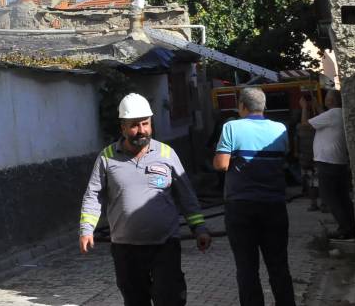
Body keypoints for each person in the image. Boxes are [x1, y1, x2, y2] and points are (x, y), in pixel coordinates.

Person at [79, 93, 212, 306]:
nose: (141, 130)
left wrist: (200, 228)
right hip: (125, 249)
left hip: (165, 245)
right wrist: (87, 229)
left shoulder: (167, 154)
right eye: (134, 125)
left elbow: (186, 194)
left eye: (145, 123)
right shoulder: (106, 157)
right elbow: (93, 195)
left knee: (170, 299)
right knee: (135, 301)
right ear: (122, 127)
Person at [214, 87, 296, 306]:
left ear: (242, 106)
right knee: (279, 265)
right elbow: (283, 157)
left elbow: (222, 164)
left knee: (247, 268)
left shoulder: (232, 127)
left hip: (241, 207)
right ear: (264, 106)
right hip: (275, 206)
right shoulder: (280, 128)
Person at [301, 89, 355, 239]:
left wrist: (305, 107)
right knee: (343, 197)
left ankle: (345, 229)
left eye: (327, 97)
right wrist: (317, 106)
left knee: (330, 197)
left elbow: (305, 124)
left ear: (331, 101)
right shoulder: (339, 113)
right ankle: (352, 227)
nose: (325, 99)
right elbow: (323, 116)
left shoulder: (331, 115)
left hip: (327, 161)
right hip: (339, 161)